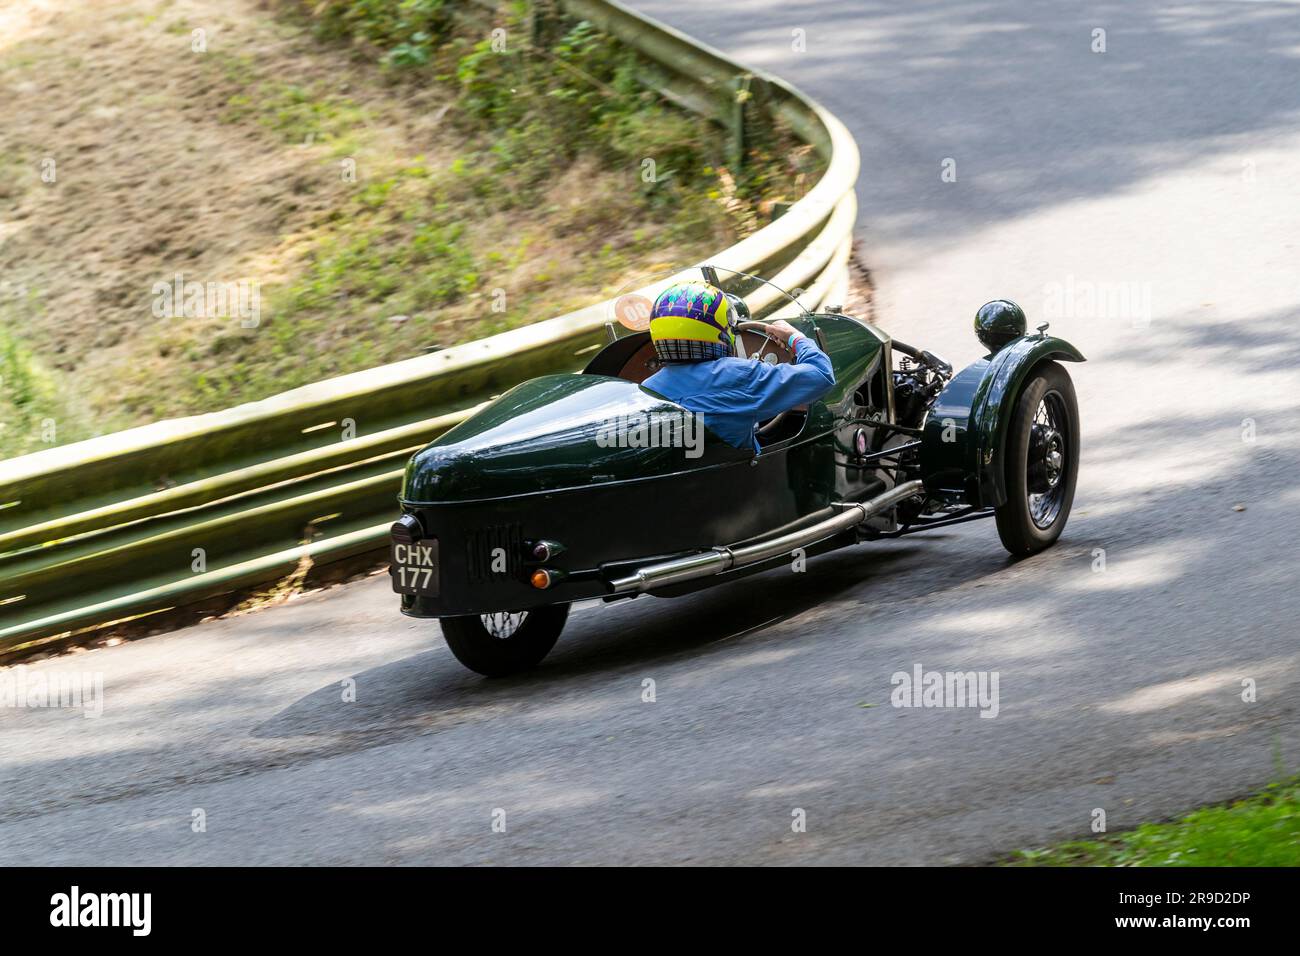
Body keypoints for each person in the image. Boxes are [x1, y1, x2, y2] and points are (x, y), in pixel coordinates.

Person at [641, 280, 835, 453]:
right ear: (721, 332)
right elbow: (821, 374)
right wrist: (796, 338)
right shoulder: (739, 375)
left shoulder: (645, 390)